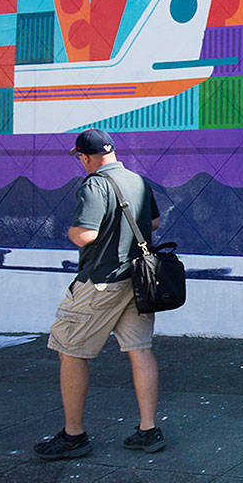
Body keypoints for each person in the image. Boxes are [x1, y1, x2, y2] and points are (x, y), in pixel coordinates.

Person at [34, 128, 165, 459]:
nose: (80, 162)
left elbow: (86, 235)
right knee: (140, 350)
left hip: (101, 282)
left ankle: (74, 435)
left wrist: (73, 231)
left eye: (79, 156)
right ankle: (148, 430)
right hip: (136, 281)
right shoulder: (137, 181)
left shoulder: (94, 184)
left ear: (86, 156)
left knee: (70, 350)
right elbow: (155, 223)